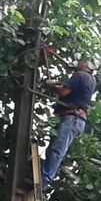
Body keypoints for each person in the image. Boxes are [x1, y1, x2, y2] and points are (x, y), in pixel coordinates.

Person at [41, 59, 97, 189]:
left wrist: (51, 85)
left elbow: (64, 92)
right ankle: (44, 176)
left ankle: (44, 180)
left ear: (86, 65)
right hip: (76, 118)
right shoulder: (91, 79)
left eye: (80, 62)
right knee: (53, 150)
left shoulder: (80, 75)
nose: (77, 63)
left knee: (56, 150)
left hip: (72, 117)